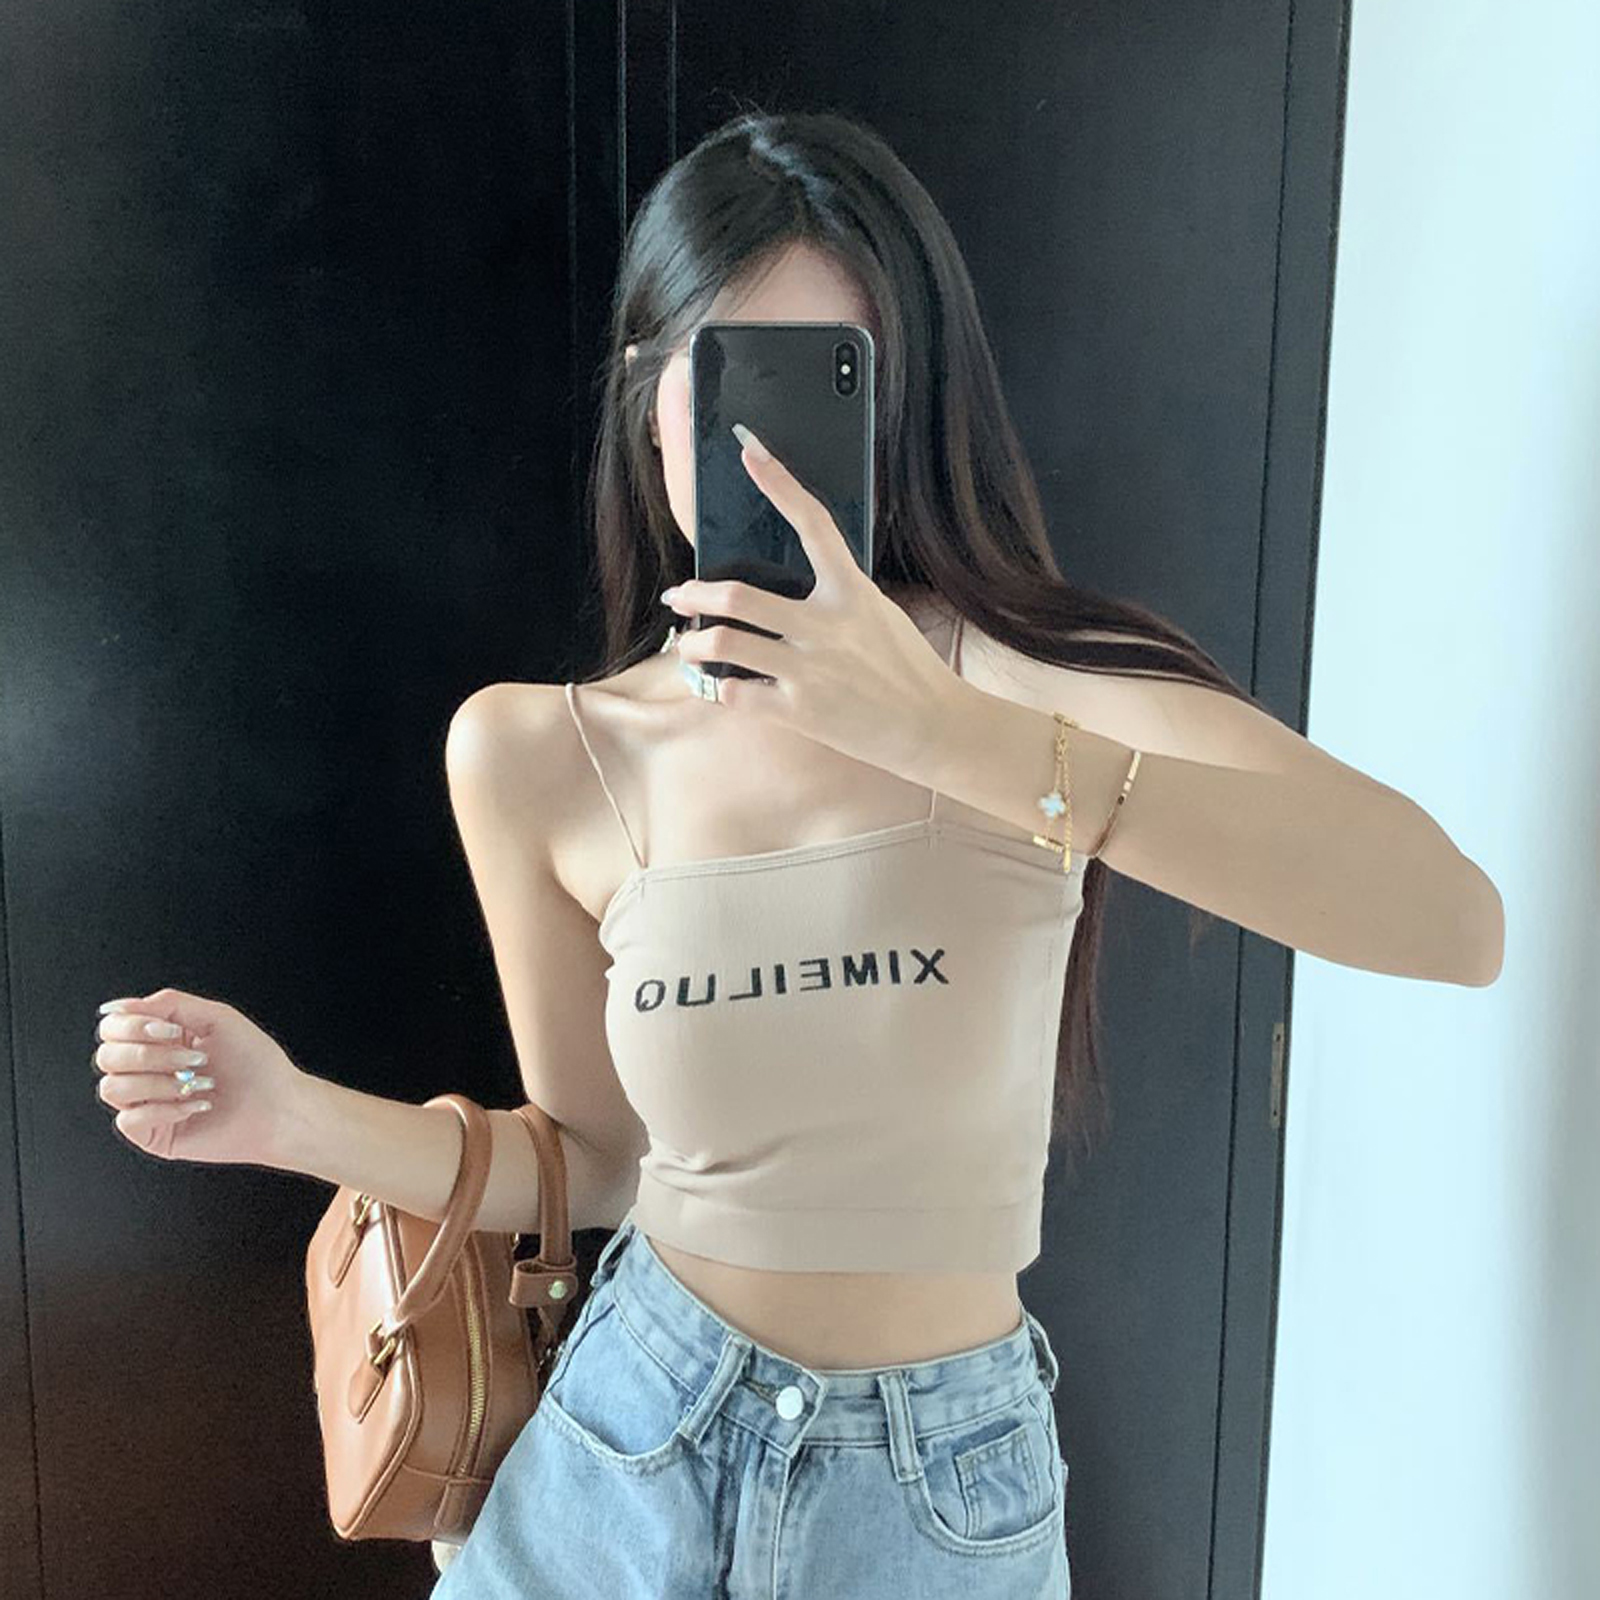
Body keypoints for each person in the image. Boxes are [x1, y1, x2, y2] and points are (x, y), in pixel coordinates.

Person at [88, 109, 1504, 1600]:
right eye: (726, 383)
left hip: (934, 1495)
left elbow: (1449, 919)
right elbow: (599, 1163)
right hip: (624, 1448)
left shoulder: (1023, 690)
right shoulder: (540, 753)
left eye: (829, 381)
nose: (769, 452)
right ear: (648, 405)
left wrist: (953, 736)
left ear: (908, 404)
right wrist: (292, 1115)